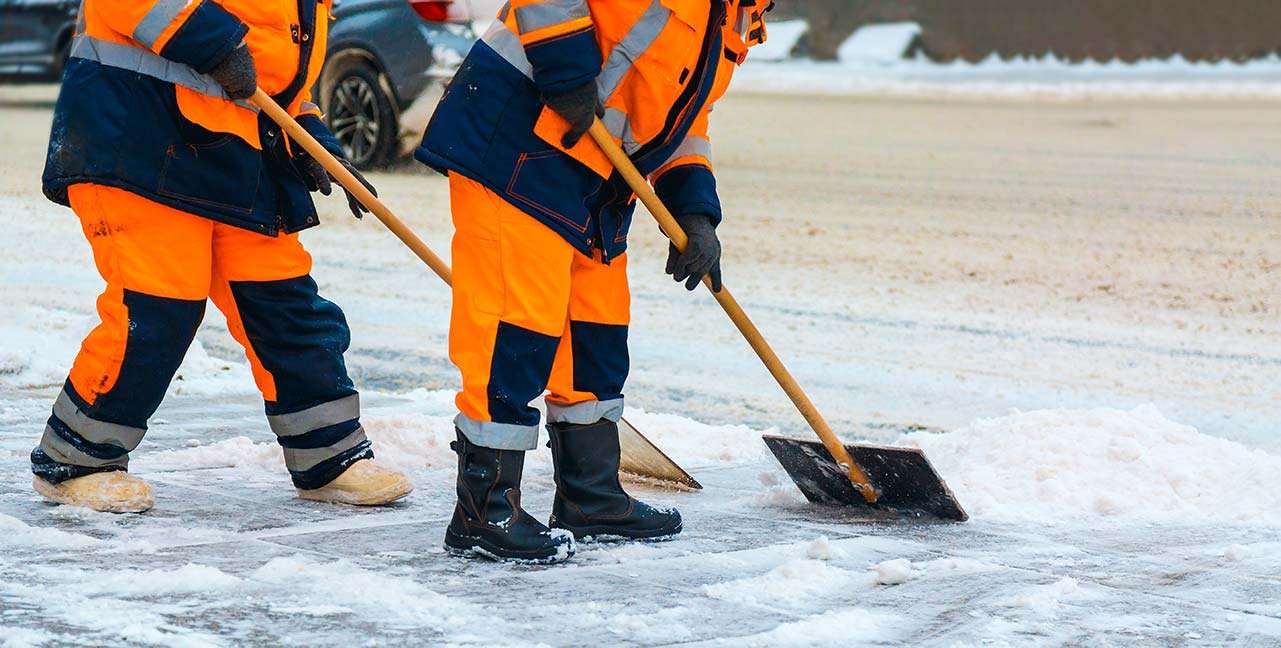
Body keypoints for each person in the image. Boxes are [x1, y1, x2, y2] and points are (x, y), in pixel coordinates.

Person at [416, 0, 772, 562]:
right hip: (521, 139)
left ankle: (590, 495)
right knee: (515, 327)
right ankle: (483, 509)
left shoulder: (734, 17)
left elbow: (681, 119)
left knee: (596, 333)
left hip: (597, 176)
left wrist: (694, 210)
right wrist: (566, 67)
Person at [31, 0, 412, 513]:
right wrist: (213, 40)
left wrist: (315, 140)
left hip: (236, 154)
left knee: (284, 302)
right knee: (158, 307)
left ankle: (330, 457)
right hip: (139, 135)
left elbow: (277, 78)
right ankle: (78, 460)